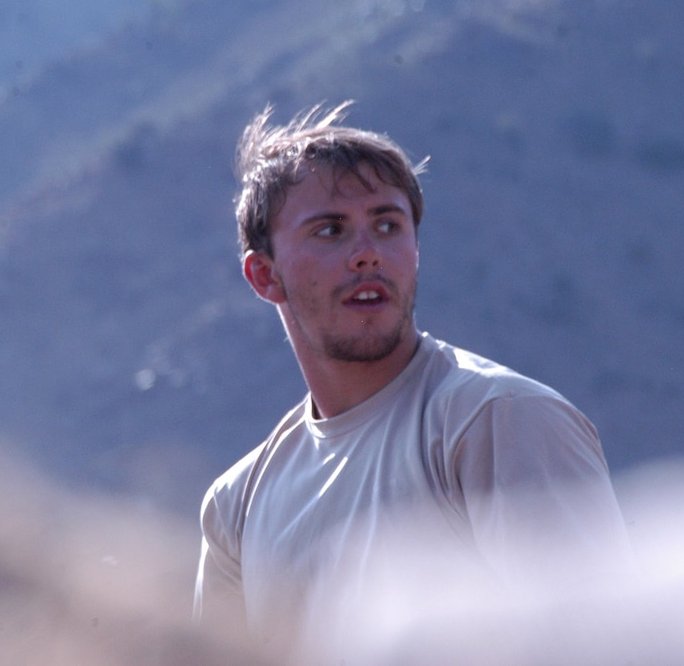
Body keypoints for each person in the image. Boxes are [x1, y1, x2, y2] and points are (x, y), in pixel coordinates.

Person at [193, 103, 634, 662]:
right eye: (331, 230)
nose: (367, 255)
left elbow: (607, 646)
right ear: (265, 275)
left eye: (388, 224)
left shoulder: (497, 421)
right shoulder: (238, 505)